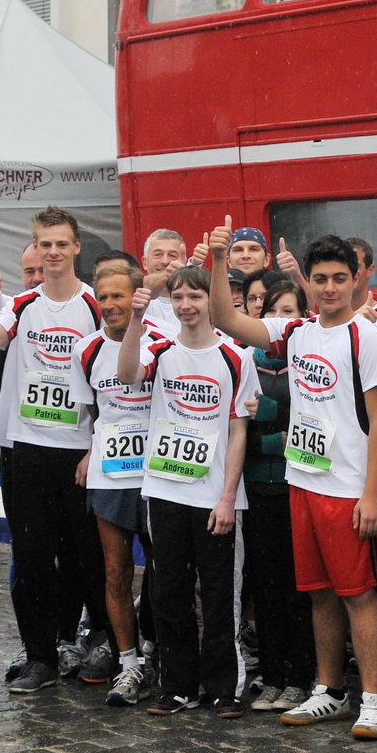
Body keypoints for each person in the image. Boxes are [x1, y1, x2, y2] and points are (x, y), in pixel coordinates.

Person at [208, 227, 377, 741]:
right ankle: (330, 691)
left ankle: (375, 700)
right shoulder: (296, 333)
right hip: (303, 482)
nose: (330, 288)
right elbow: (225, 318)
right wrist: (219, 260)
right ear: (308, 283)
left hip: (349, 488)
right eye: (321, 280)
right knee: (319, 594)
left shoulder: (368, 337)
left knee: (359, 594)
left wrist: (371, 493)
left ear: (357, 279)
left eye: (340, 278)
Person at [0, 207, 111, 694]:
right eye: (44, 245)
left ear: (76, 248)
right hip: (24, 448)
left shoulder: (96, 305)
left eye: (61, 244)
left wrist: (97, 443)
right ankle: (40, 658)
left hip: (79, 450)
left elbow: (111, 380)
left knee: (88, 555)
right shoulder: (21, 304)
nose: (52, 253)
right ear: (35, 249)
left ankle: (101, 641)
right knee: (31, 556)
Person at [118, 263, 259, 718]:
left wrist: (227, 498)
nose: (186, 306)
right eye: (178, 298)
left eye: (195, 298)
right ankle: (179, 685)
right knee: (169, 594)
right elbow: (126, 377)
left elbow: (239, 430)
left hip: (214, 496)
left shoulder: (237, 357)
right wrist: (137, 320)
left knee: (220, 595)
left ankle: (223, 687)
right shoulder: (159, 349)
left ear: (210, 302)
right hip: (164, 490)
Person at [67, 262, 162, 708]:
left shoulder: (161, 341)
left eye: (118, 296)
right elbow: (91, 416)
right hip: (111, 475)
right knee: (114, 570)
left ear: (137, 296)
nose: (109, 306)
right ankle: (128, 663)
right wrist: (90, 453)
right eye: (102, 298)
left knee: (165, 573)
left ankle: (162, 652)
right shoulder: (85, 350)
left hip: (161, 474)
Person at [242, 280, 316, 713]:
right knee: (265, 588)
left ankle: (301, 675)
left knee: (298, 588)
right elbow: (235, 430)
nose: (283, 320)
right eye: (275, 311)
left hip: (298, 487)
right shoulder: (244, 360)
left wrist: (271, 419)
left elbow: (319, 423)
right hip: (256, 490)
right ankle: (271, 675)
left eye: (291, 311)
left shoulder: (308, 361)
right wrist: (278, 437)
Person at [141, 229, 188, 338]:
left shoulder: (198, 301)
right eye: (158, 254)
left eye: (172, 255)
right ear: (145, 262)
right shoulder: (133, 300)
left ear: (183, 262)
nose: (165, 261)